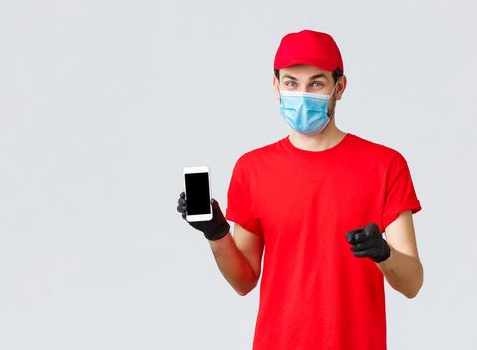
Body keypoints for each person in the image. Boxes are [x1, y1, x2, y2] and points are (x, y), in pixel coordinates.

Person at [177, 29, 423, 350]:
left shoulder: (385, 165)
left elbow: (412, 282)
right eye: (291, 83)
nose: (302, 94)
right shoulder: (252, 169)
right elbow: (244, 281)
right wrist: (216, 232)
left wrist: (383, 254)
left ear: (340, 87)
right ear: (276, 85)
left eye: (316, 84)